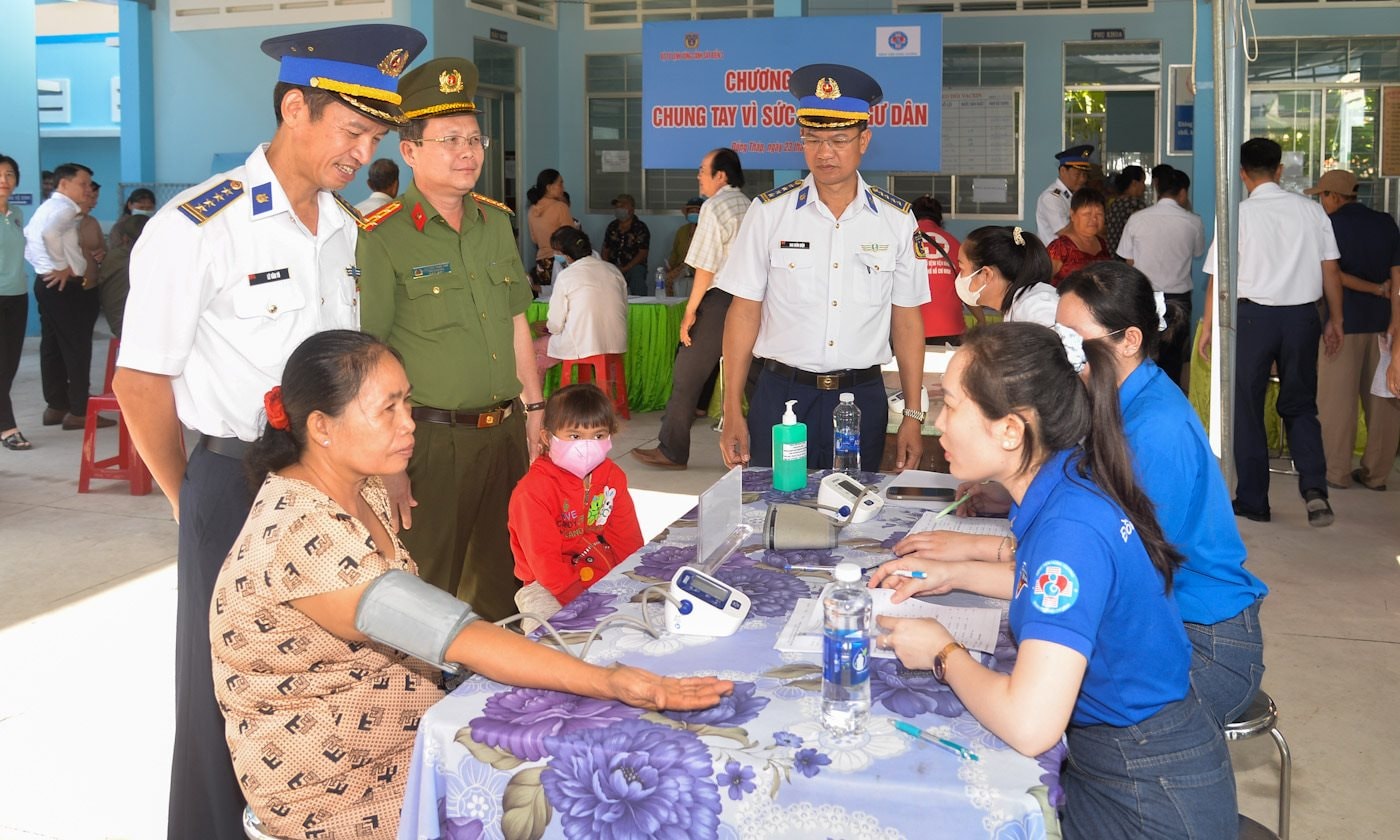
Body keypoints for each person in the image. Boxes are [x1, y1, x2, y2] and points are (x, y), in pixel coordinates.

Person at [215, 329, 730, 839]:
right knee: (574, 799)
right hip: (337, 785)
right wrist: (611, 680)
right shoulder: (303, 535)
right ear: (322, 427)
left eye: (408, 403)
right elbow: (455, 634)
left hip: (406, 731)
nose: (409, 425)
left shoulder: (361, 487)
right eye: (388, 409)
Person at [112, 24, 427, 840]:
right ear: (295, 107)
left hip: (330, 482)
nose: (363, 153)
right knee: (221, 689)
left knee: (346, 680)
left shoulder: (344, 228)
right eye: (352, 131)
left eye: (374, 136)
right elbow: (140, 379)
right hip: (236, 481)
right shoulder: (198, 226)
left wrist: (383, 472)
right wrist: (192, 499)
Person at [872, 322, 1235, 837]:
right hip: (1134, 761)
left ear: (1011, 430)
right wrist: (954, 573)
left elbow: (1029, 724)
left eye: (950, 406)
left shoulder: (1070, 531)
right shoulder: (1069, 477)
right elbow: (1063, 590)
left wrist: (942, 651)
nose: (938, 424)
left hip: (1147, 794)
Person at [357, 56, 544, 624]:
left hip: (505, 433)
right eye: (449, 140)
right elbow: (372, 353)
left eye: (473, 138)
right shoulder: (383, 237)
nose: (468, 152)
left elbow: (517, 321)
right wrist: (386, 457)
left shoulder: (496, 223)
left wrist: (534, 411)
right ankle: (421, 708)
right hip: (429, 443)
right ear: (410, 151)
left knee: (506, 581)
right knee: (425, 586)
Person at [716, 64, 927, 473]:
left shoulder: (896, 220)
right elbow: (743, 312)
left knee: (852, 513)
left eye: (838, 139)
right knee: (775, 510)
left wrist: (913, 417)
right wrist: (731, 408)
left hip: (860, 398)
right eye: (812, 139)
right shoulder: (769, 213)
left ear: (864, 140)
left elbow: (906, 320)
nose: (824, 152)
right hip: (780, 395)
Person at [1200, 138, 1344, 527]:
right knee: (1300, 405)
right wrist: (1336, 320)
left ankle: (1253, 501)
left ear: (1243, 173)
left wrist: (1208, 327)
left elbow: (1218, 276)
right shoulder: (1311, 211)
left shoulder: (1236, 215)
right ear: (1279, 170)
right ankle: (1314, 489)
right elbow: (1331, 271)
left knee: (1247, 409)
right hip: (1301, 318)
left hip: (1252, 321)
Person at [633, 147, 750, 471]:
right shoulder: (749, 205)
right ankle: (768, 453)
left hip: (720, 299)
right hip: (751, 301)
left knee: (687, 374)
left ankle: (672, 450)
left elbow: (706, 267)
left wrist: (690, 311)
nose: (698, 176)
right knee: (756, 378)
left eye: (702, 169)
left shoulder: (715, 206)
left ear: (721, 175)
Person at [509, 382, 643, 625]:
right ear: (547, 438)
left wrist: (633, 577)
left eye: (599, 435)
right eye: (574, 436)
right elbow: (545, 562)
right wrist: (583, 603)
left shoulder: (612, 477)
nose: (587, 445)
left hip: (602, 568)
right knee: (554, 642)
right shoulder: (532, 492)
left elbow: (627, 538)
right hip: (546, 586)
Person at [1306, 169, 1400, 491]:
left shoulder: (1328, 225)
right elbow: (1397, 277)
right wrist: (1395, 319)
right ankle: (1376, 475)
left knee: (1336, 404)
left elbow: (1332, 274)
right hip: (1383, 325)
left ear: (1333, 196)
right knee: (1384, 402)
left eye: (1322, 195)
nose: (1322, 201)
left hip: (1341, 323)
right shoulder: (1386, 223)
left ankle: (1336, 473)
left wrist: (1372, 289)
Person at [24, 162, 101, 431]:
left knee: (53, 346)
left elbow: (31, 237)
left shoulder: (47, 207)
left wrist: (45, 267)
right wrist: (58, 265)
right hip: (65, 286)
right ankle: (80, 410)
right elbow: (48, 234)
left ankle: (57, 406)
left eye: (89, 185)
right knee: (77, 346)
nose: (87, 190)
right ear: (64, 184)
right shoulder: (66, 207)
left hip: (46, 283)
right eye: (82, 184)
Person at [1116, 167, 1205, 388]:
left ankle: (1142, 397)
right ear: (1183, 193)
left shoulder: (1137, 219)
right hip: (1179, 298)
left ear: (1157, 189)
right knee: (1174, 357)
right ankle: (1170, 397)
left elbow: (1128, 259)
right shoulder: (1193, 222)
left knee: (1141, 352)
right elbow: (1198, 253)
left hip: (1144, 295)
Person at [542, 226, 628, 362]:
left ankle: (532, 384)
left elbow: (555, 324)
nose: (555, 254)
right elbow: (623, 308)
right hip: (616, 343)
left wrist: (550, 329)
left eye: (556, 251)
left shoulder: (566, 276)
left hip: (582, 345)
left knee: (533, 350)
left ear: (566, 253)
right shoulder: (613, 270)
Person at [953, 225, 1057, 326]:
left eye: (962, 268)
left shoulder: (1036, 307)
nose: (959, 276)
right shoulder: (1015, 307)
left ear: (986, 274)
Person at [911, 194, 979, 344]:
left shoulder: (903, 242)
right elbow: (968, 287)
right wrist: (981, 321)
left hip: (911, 331)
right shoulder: (954, 243)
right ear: (940, 219)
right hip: (952, 330)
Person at [0, 154, 29, 451]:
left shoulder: (17, 214)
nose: (3, 181)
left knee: (9, 367)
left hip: (17, 296)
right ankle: (8, 427)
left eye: (9, 174)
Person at [96, 212, 149, 338]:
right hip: (137, 328)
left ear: (124, 238)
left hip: (117, 324)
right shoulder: (150, 259)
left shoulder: (111, 257)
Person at [1047, 187, 1112, 286]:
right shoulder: (1060, 247)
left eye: (1099, 214)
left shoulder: (1102, 243)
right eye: (1087, 214)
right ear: (1072, 214)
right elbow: (1042, 281)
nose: (1094, 219)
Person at [526, 168, 574, 288]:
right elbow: (570, 238)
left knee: (546, 300)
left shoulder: (532, 210)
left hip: (541, 262)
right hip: (560, 262)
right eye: (560, 183)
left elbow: (534, 239)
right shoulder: (560, 207)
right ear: (549, 187)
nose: (563, 187)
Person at [1035, 144, 1093, 242]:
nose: (1082, 179)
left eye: (1084, 174)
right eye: (1077, 174)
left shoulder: (1074, 195)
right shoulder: (1051, 198)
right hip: (1053, 256)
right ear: (1062, 171)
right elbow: (1065, 231)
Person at [602, 193, 651, 296]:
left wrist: (625, 268)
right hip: (613, 266)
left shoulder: (640, 227)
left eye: (622, 206)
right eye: (617, 206)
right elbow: (605, 249)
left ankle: (641, 306)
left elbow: (643, 253)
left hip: (633, 266)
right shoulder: (612, 226)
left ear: (632, 209)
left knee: (637, 275)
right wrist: (607, 266)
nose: (619, 208)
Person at [664, 195, 704, 297]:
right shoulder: (682, 231)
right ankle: (672, 306)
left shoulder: (707, 231)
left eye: (697, 211)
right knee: (668, 279)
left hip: (699, 267)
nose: (693, 213)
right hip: (681, 266)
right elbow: (675, 252)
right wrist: (670, 266)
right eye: (691, 211)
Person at [1103, 165, 1147, 255]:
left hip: (1111, 256)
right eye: (1143, 182)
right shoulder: (1137, 205)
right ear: (1134, 183)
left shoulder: (1113, 204)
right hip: (1129, 257)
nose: (1144, 187)